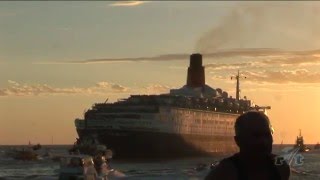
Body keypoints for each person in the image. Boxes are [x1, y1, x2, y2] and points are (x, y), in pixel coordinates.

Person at [205, 111, 290, 180]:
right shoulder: (225, 173)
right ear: (238, 141)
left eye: (267, 135)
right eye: (256, 136)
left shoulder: (280, 168)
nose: (264, 142)